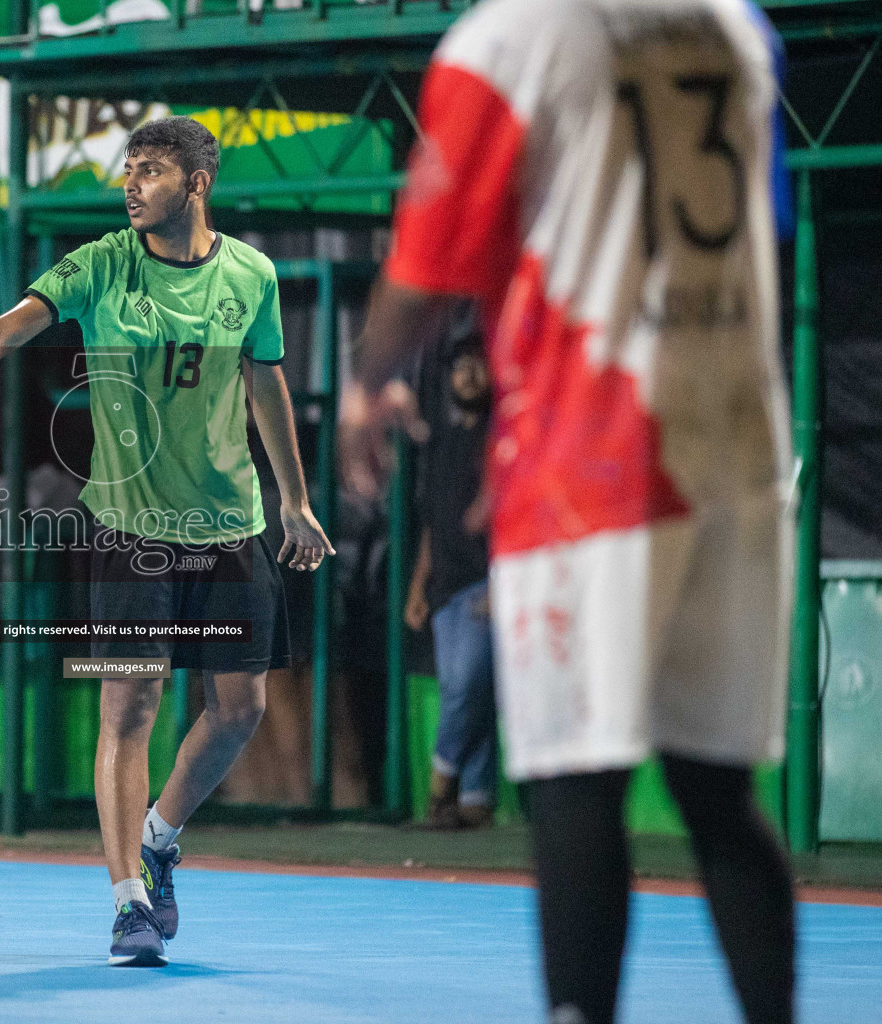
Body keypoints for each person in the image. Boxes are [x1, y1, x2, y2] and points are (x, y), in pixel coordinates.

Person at [342, 1, 796, 1022]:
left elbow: (425, 263)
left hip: (590, 456)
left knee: (575, 779)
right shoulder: (737, 27)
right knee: (719, 794)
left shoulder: (509, 38)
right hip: (734, 447)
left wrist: (370, 381)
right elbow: (764, 226)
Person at [0, 115, 334, 967]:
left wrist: (296, 498)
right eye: (126, 169)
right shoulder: (100, 266)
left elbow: (265, 376)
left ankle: (161, 839)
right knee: (129, 707)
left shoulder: (251, 273)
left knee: (238, 711)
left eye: (150, 170)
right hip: (131, 527)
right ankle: (129, 903)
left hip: (231, 523)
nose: (130, 183)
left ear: (196, 182)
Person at [403, 308, 497, 829]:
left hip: (486, 584)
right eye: (460, 367)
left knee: (467, 685)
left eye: (478, 366)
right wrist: (418, 585)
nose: (468, 374)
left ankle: (441, 784)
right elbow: (432, 521)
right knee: (468, 689)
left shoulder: (502, 436)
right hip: (443, 587)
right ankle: (477, 800)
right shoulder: (439, 442)